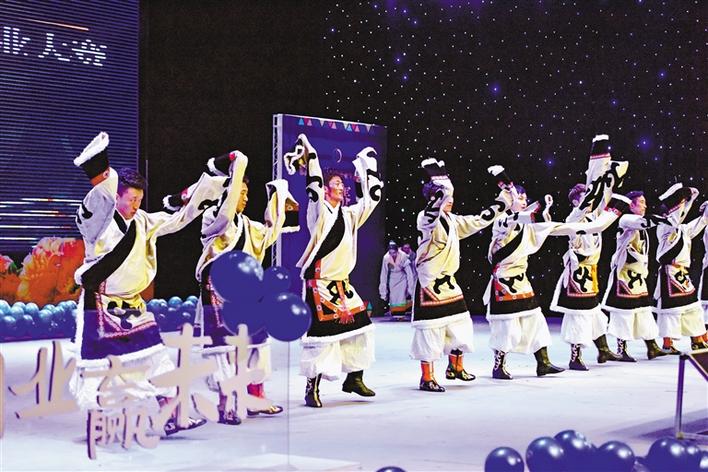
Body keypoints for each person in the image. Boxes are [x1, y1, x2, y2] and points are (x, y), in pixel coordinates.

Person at [69, 132, 214, 435]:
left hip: (134, 306)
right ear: (117, 196)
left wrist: (209, 185)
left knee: (156, 356)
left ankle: (172, 414)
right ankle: (99, 421)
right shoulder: (99, 224)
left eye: (139, 199)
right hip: (101, 306)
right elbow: (96, 200)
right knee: (99, 368)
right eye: (130, 199)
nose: (135, 205)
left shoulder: (144, 222)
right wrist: (100, 170)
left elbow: (178, 219)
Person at [166, 150, 299, 424]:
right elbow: (225, 215)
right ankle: (226, 403)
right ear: (230, 191)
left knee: (257, 343)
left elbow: (270, 233)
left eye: (247, 193)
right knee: (224, 349)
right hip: (218, 290)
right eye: (242, 192)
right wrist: (237, 167)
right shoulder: (212, 218)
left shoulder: (248, 225)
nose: (246, 198)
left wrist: (278, 194)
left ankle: (255, 397)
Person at [485, 165, 626, 380]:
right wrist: (533, 207)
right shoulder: (501, 221)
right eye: (519, 197)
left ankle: (543, 363)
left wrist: (607, 217)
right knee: (507, 327)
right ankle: (499, 366)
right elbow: (519, 219)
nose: (523, 200)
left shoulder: (530, 224)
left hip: (522, 281)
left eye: (525, 198)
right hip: (503, 282)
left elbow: (567, 227)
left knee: (536, 322)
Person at [288, 134, 383, 408]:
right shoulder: (319, 212)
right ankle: (312, 387)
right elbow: (314, 185)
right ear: (327, 189)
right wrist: (312, 157)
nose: (342, 187)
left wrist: (368, 169)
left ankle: (354, 378)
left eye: (343, 183)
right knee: (321, 339)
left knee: (362, 329)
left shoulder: (349, 215)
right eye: (337, 183)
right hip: (320, 283)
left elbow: (370, 202)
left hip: (343, 285)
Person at [412, 158, 512, 392]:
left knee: (461, 325)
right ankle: (427, 377)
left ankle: (455, 367)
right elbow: (432, 213)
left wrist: (503, 201)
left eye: (451, 197)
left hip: (449, 284)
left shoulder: (453, 221)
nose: (451, 200)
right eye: (445, 197)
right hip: (430, 284)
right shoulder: (425, 218)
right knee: (429, 331)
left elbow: (480, 220)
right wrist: (442, 187)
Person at [550, 135, 628, 370]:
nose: (589, 202)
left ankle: (603, 350)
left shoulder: (595, 219)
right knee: (578, 317)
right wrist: (594, 185)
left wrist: (605, 171)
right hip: (577, 275)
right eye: (583, 198)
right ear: (576, 201)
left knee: (594, 314)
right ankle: (575, 357)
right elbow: (591, 201)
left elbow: (602, 198)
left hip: (590, 273)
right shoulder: (573, 218)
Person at [601, 191, 668, 361]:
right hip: (624, 275)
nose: (645, 206)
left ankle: (652, 346)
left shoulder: (638, 224)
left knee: (644, 311)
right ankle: (622, 349)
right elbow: (643, 223)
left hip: (637, 276)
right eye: (642, 202)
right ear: (631, 205)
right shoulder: (626, 220)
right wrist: (664, 219)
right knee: (623, 314)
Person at [653, 185, 708, 352]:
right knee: (671, 312)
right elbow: (676, 215)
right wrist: (684, 196)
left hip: (681, 274)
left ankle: (697, 339)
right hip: (669, 273)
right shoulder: (665, 227)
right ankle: (668, 343)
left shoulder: (682, 230)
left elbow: (701, 222)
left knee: (693, 308)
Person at [379, 240, 415, 320]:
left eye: (394, 253)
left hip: (402, 278)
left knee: (401, 296)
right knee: (393, 297)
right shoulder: (386, 258)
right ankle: (395, 314)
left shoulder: (403, 256)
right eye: (391, 253)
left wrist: (411, 288)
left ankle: (401, 315)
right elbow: (384, 273)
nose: (393, 254)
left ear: (397, 251)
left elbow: (409, 272)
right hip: (392, 278)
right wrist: (383, 291)